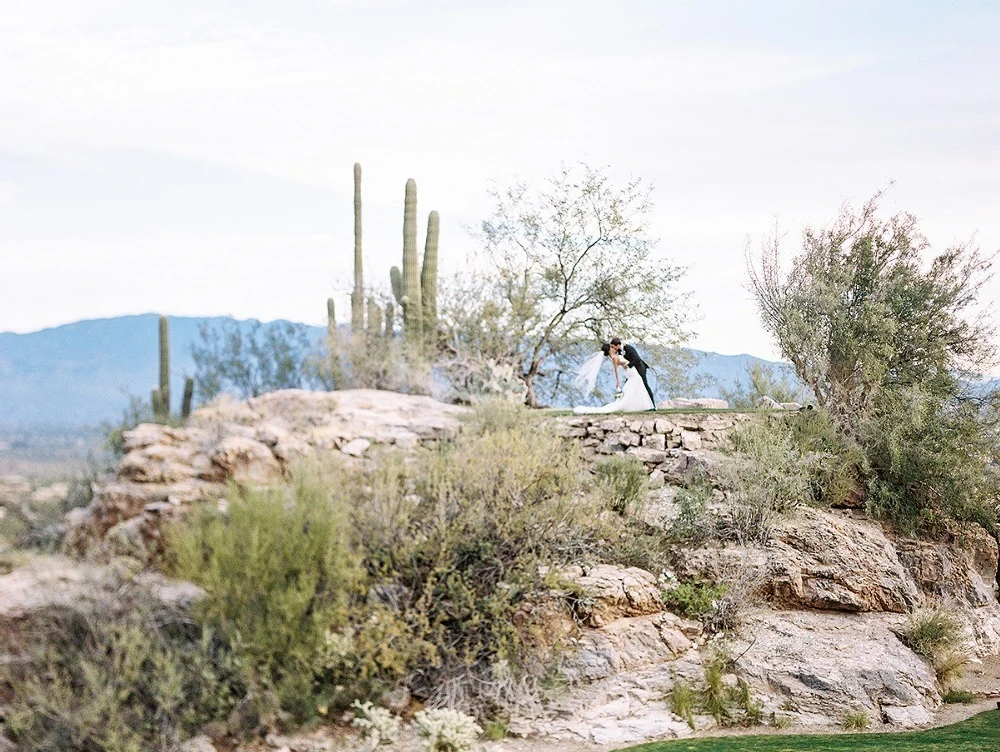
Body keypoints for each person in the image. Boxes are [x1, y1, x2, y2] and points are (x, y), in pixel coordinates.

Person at [572, 339, 655, 414]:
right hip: (631, 371)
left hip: (639, 367)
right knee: (637, 386)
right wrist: (617, 381)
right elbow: (615, 370)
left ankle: (649, 405)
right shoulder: (615, 357)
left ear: (616, 345)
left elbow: (636, 359)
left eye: (613, 346)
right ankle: (643, 405)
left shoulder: (627, 349)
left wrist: (628, 365)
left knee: (642, 385)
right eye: (611, 347)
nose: (613, 348)